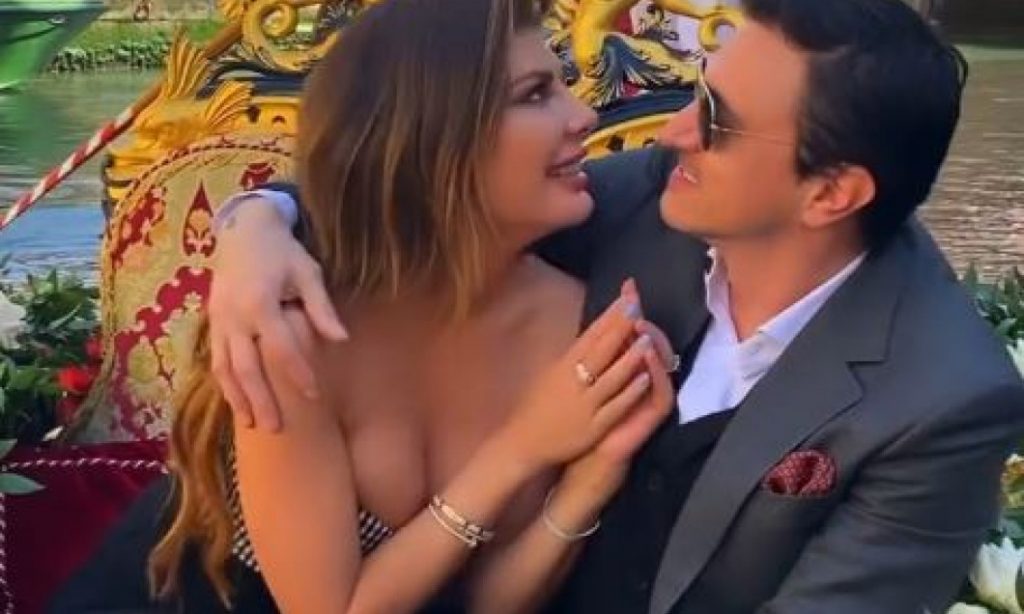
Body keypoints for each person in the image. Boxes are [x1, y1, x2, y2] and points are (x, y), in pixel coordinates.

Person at [205, 0, 1024, 612]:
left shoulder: (943, 400)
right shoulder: (647, 204)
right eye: (697, 94)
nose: (668, 133)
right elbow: (414, 179)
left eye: (716, 120)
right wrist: (254, 226)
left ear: (831, 194)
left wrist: (581, 483)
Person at [50, 0, 677, 612]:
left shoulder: (580, 321)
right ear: (435, 135)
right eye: (536, 94)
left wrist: (589, 483)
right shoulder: (301, 325)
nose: (585, 116)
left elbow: (481, 600)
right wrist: (522, 448)